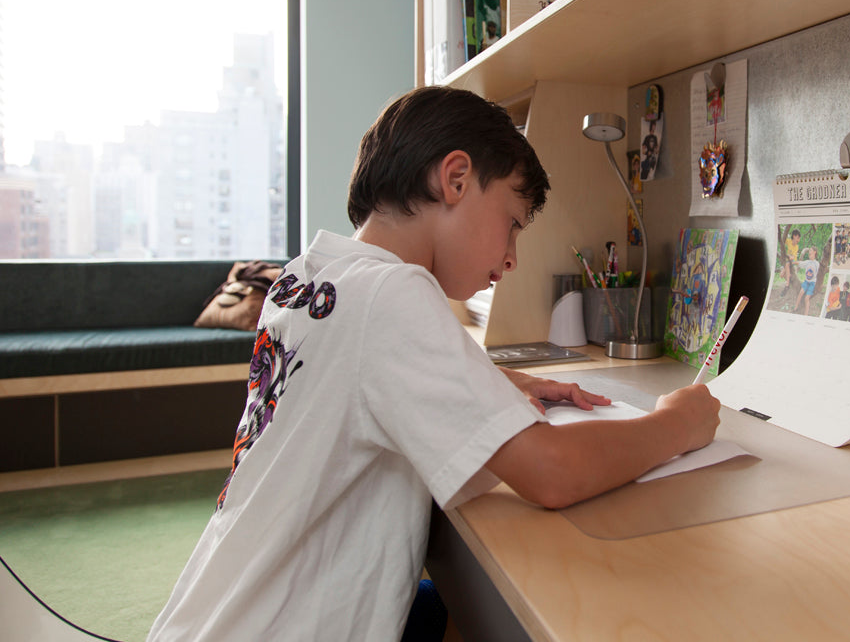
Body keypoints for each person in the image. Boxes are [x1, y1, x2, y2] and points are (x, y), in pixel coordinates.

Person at [147, 86, 720, 642]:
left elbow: (341, 382)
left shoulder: (310, 274)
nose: (512, 257)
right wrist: (676, 424)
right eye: (513, 223)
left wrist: (495, 382)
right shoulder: (394, 292)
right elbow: (552, 473)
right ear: (455, 179)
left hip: (220, 609)